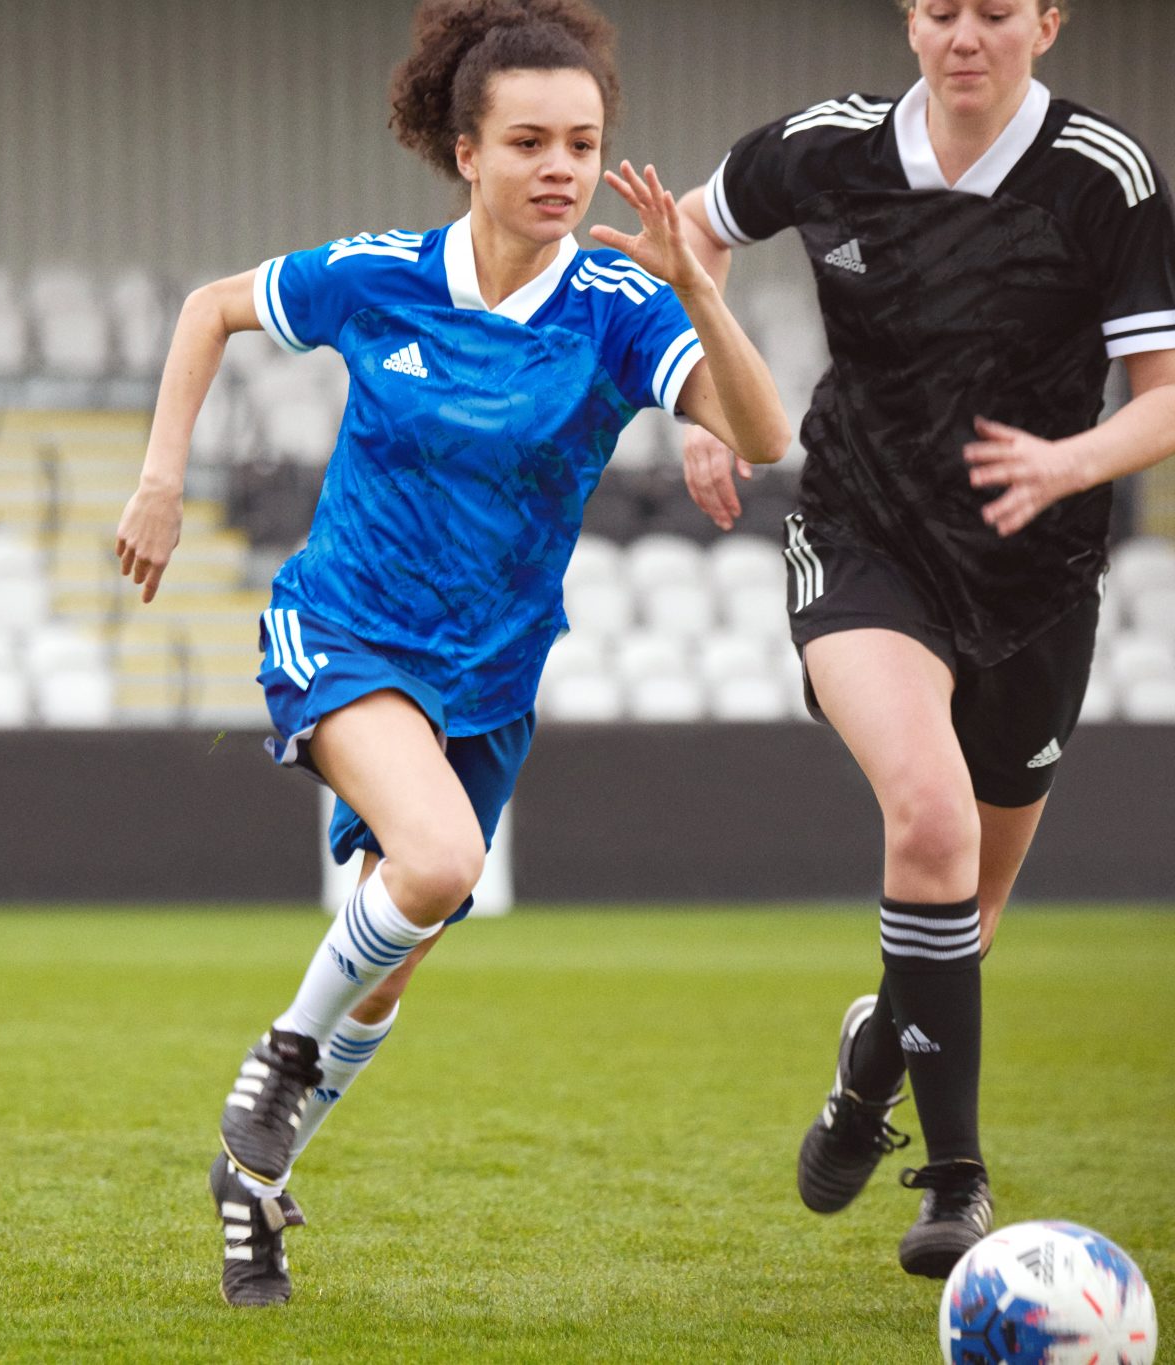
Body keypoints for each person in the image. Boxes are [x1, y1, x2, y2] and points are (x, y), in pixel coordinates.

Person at [114, 0, 792, 1308]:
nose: (562, 168)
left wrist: (696, 285)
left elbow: (760, 431)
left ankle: (251, 1185)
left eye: (583, 143)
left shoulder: (613, 306)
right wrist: (157, 482)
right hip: (348, 624)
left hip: (490, 675)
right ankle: (278, 1060)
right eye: (529, 139)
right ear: (463, 150)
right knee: (436, 860)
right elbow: (208, 311)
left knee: (397, 953)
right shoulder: (378, 273)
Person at [671, 0, 1175, 1278]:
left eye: (993, 11)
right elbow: (686, 229)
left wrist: (1070, 460)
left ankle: (866, 1069)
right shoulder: (825, 148)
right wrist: (702, 402)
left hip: (1036, 580)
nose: (963, 33)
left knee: (971, 906)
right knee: (930, 821)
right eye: (938, 8)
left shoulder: (1101, 178)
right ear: (908, 21)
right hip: (858, 539)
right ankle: (955, 1182)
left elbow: (1161, 399)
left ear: (1045, 25)